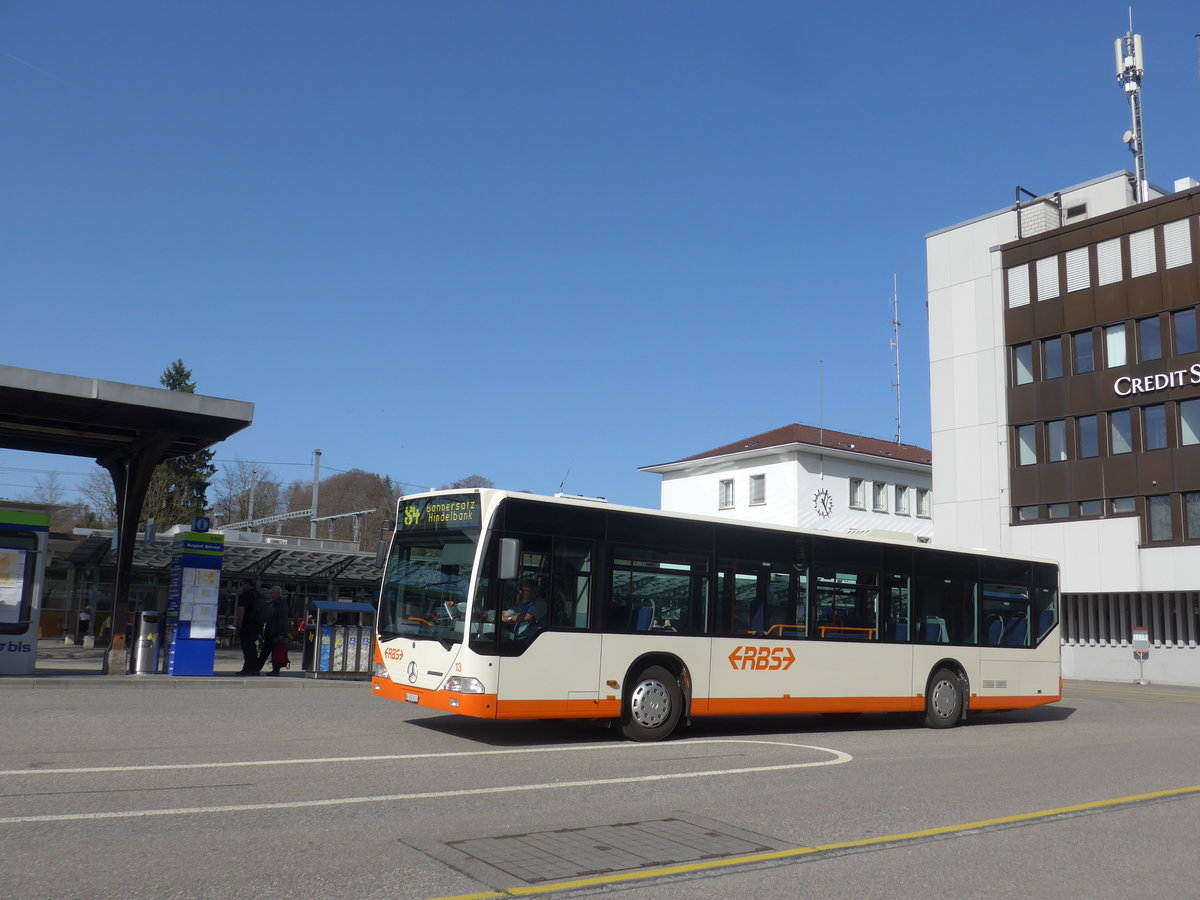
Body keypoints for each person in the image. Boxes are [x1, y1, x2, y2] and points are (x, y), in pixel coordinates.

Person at [254, 586, 291, 675]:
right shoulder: (271, 603)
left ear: (278, 593)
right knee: (265, 651)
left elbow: (283, 620)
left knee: (276, 651)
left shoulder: (282, 604)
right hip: (269, 631)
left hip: (277, 632)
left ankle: (275, 670)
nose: (271, 594)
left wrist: (281, 633)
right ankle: (257, 669)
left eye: (272, 592)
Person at [234, 580, 263, 676]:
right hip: (257, 625)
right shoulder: (258, 595)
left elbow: (241, 610)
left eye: (243, 584)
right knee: (253, 647)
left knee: (246, 647)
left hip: (247, 624)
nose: (242, 586)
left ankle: (247, 668)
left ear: (250, 586)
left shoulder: (245, 595)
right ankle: (255, 668)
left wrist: (239, 625)